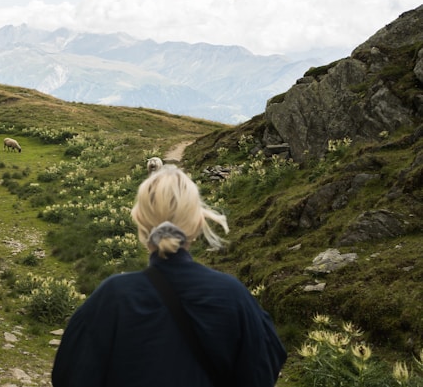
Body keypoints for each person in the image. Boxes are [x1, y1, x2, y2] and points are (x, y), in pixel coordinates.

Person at [51, 164, 286, 387]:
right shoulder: (234, 296)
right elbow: (263, 371)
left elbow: (69, 376)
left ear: (140, 221)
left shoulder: (111, 297)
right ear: (198, 222)